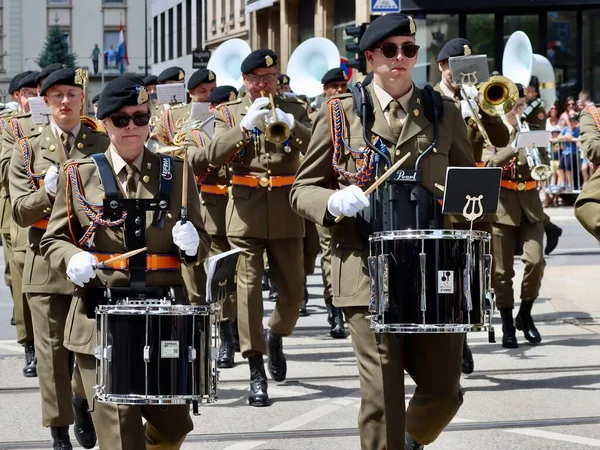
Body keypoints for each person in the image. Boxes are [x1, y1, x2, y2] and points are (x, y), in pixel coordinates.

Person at [291, 14, 474, 449]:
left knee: (445, 390)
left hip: (432, 268)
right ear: (370, 57)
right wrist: (332, 202)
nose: (400, 59)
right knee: (383, 395)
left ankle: (406, 442)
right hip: (365, 265)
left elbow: (470, 185)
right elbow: (301, 190)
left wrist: (470, 205)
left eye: (409, 50)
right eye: (389, 51)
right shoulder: (340, 113)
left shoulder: (443, 112)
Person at [39, 75, 210, 449]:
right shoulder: (79, 176)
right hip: (101, 319)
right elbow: (52, 240)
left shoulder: (176, 173)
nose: (132, 127)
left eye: (141, 117)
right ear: (104, 122)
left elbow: (202, 238)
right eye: (121, 119)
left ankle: (84, 396)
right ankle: (85, 395)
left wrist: (194, 244)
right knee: (120, 439)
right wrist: (72, 259)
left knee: (175, 426)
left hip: (163, 317)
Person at [207, 49, 311, 407]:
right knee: (248, 293)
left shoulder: (295, 108)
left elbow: (318, 149)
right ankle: (255, 370)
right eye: (256, 79)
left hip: (286, 210)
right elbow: (211, 155)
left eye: (270, 78)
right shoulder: (227, 112)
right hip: (245, 214)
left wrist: (293, 126)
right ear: (245, 81)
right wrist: (243, 127)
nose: (263, 85)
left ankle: (277, 332)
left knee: (294, 293)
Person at [9, 68, 103, 450]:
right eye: (57, 96)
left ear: (82, 98)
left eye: (72, 94)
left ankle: (81, 400)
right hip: (44, 261)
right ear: (44, 102)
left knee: (89, 346)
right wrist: (46, 193)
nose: (66, 102)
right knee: (50, 354)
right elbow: (19, 211)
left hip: (90, 259)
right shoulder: (28, 148)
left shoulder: (101, 141)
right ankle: (59, 431)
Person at [435, 37, 511, 375]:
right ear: (443, 67)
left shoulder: (480, 98)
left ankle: (469, 326)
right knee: (450, 271)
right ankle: (459, 339)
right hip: (445, 193)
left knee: (479, 270)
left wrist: (483, 110)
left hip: (477, 195)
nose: (463, 74)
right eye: (456, 67)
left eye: (468, 68)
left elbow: (502, 141)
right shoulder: (431, 99)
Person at [483, 84, 547, 349]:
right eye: (513, 106)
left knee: (536, 261)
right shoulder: (492, 133)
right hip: (503, 207)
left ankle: (526, 314)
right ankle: (508, 323)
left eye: (521, 106)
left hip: (531, 206)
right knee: (501, 272)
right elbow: (488, 164)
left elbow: (544, 163)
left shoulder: (532, 129)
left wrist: (538, 151)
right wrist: (513, 144)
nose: (518, 111)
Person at [183, 84, 240, 367]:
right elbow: (193, 162)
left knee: (243, 278)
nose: (224, 114)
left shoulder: (244, 128)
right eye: (219, 108)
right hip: (213, 212)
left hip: (242, 210)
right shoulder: (196, 134)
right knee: (221, 279)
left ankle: (240, 327)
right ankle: (227, 335)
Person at [0, 71, 37, 376]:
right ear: (17, 96)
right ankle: (30, 346)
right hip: (17, 213)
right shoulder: (10, 126)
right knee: (23, 282)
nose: (34, 96)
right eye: (28, 91)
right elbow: (3, 172)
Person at [521, 76, 562, 255]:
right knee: (524, 201)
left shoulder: (537, 108)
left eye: (527, 88)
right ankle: (549, 227)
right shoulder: (523, 105)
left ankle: (549, 227)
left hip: (533, 156)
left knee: (529, 200)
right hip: (522, 156)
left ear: (534, 91)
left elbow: (535, 133)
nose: (523, 91)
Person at [150, 67, 191, 145]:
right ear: (162, 86)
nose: (178, 90)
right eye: (173, 86)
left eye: (181, 85)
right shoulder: (153, 110)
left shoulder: (188, 110)